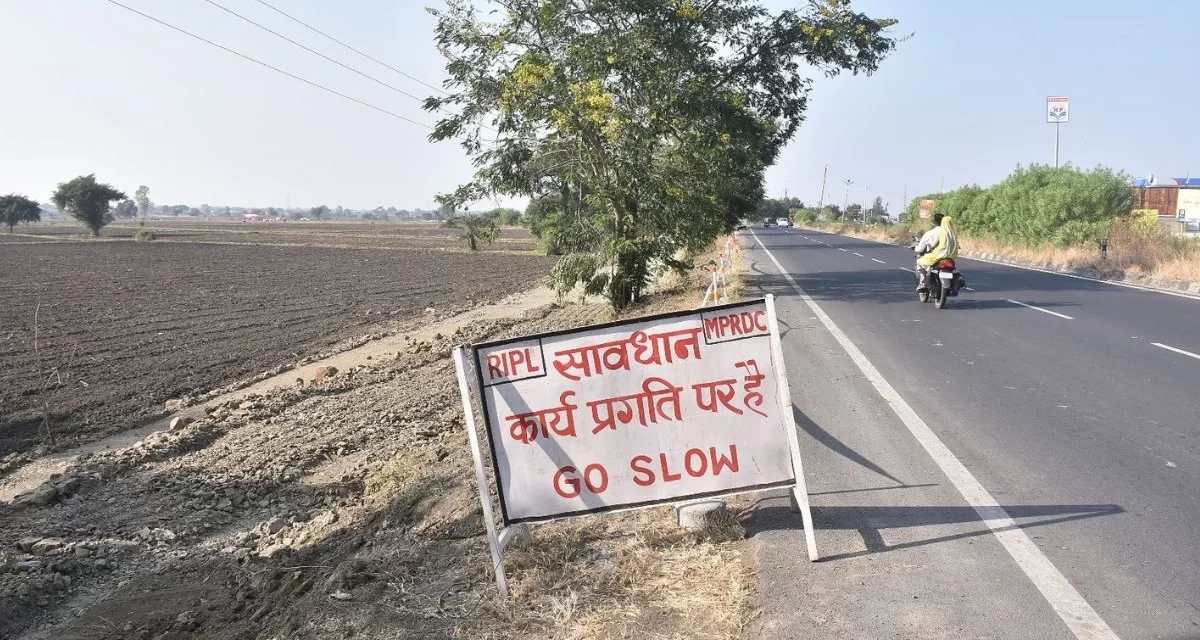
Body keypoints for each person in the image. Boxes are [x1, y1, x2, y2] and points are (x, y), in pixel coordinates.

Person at [913, 213, 958, 291]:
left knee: (920, 261)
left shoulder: (940, 232)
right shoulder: (953, 233)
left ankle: (922, 283)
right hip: (951, 257)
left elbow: (934, 244)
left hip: (940, 255)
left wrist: (931, 246)